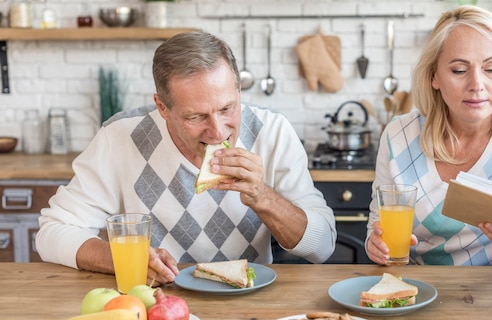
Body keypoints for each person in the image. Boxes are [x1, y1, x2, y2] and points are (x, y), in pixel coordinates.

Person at [37, 31, 337, 285]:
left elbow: (321, 247)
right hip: (156, 301)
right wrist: (124, 259)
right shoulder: (120, 138)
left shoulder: (272, 132)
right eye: (195, 116)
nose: (218, 131)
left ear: (238, 90)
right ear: (162, 107)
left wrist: (263, 197)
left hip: (250, 305)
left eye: (227, 108)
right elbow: (51, 233)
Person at [366, 5, 492, 268]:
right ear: (434, 77)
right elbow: (377, 226)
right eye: (459, 71)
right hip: (419, 292)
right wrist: (376, 245)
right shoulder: (398, 135)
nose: (477, 84)